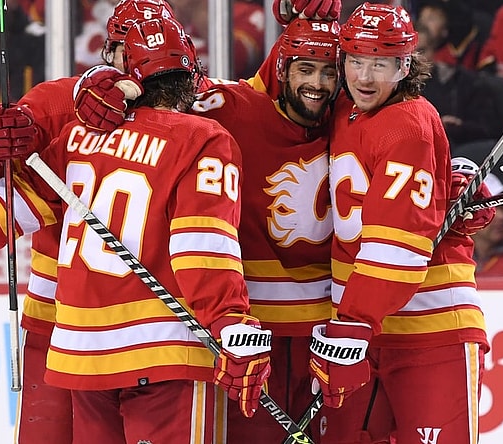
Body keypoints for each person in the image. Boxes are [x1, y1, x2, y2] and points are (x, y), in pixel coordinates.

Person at [0, 15, 271, 444]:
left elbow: (9, 202)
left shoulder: (78, 134)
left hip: (80, 348)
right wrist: (229, 321)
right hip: (165, 346)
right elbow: (201, 246)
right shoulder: (203, 135)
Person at [0, 1, 176, 443]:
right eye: (131, 50)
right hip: (62, 324)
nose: (140, 64)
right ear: (110, 51)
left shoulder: (191, 112)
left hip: (159, 330)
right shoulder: (57, 103)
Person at [307, 3, 494, 443]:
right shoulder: (342, 109)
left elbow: (398, 248)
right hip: (364, 330)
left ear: (405, 65)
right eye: (355, 60)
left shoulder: (408, 121)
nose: (364, 77)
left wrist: (352, 323)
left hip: (432, 331)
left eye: (380, 64)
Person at [190, 16, 338, 443]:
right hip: (250, 332)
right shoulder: (234, 107)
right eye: (305, 69)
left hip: (324, 334)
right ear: (281, 70)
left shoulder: (352, 117)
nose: (318, 83)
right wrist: (108, 83)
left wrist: (450, 173)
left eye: (329, 71)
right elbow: (164, 89)